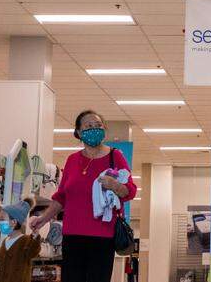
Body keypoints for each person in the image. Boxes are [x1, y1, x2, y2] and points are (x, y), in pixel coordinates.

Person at [30, 110, 137, 282]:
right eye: (88, 126)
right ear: (79, 133)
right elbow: (62, 197)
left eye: (98, 125)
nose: (94, 129)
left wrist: (115, 185)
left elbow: (130, 191)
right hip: (72, 236)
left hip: (102, 236)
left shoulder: (114, 156)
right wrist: (43, 218)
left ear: (104, 129)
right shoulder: (72, 160)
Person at [0, 200, 42, 282]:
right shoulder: (5, 241)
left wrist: (35, 238)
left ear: (13, 222)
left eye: (2, 219)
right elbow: (0, 260)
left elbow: (33, 251)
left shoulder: (26, 240)